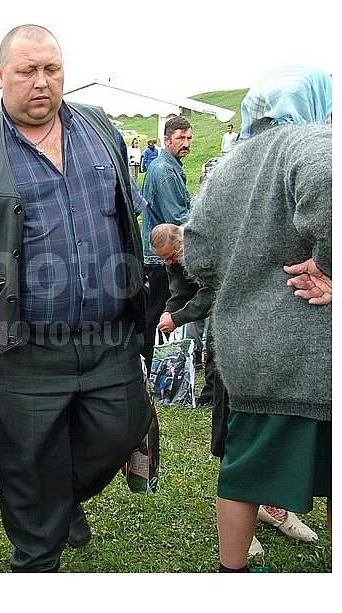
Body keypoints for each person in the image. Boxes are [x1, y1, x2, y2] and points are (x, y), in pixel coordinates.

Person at [0, 24, 151, 573]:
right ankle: (36, 560)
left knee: (123, 426)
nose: (42, 82)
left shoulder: (101, 131)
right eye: (27, 71)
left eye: (52, 69)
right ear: (0, 76)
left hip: (109, 336)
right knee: (27, 460)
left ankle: (60, 502)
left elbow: (126, 219)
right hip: (19, 344)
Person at [183, 64, 331, 573]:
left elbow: (196, 251)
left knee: (242, 470)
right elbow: (330, 188)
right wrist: (329, 266)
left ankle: (234, 574)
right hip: (310, 349)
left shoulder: (230, 164)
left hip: (244, 349)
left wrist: (238, 279)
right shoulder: (310, 142)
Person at [139, 116, 193, 374]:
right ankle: (155, 366)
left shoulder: (169, 166)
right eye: (180, 138)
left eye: (189, 138)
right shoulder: (165, 171)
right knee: (159, 314)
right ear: (166, 139)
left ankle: (153, 364)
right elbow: (178, 218)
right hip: (164, 254)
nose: (186, 143)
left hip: (162, 252)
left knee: (158, 311)